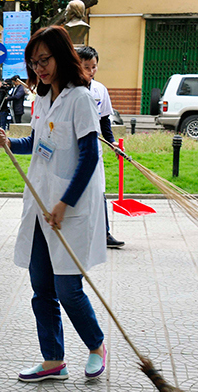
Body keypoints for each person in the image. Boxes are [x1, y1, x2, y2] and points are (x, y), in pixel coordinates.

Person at [0, 26, 106, 383]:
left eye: (45, 59)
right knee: (41, 288)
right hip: (40, 203)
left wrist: (64, 203)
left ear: (61, 55)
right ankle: (53, 359)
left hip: (68, 208)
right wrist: (10, 142)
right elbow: (40, 143)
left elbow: (89, 156)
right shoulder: (42, 99)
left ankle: (96, 345)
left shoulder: (80, 99)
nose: (39, 68)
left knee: (68, 289)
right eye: (33, 62)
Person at [77, 46, 125, 249]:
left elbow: (104, 120)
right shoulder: (67, 90)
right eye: (86, 66)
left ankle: (103, 233)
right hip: (72, 148)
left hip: (94, 147)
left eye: (94, 66)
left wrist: (112, 141)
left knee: (98, 190)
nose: (91, 70)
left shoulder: (100, 90)